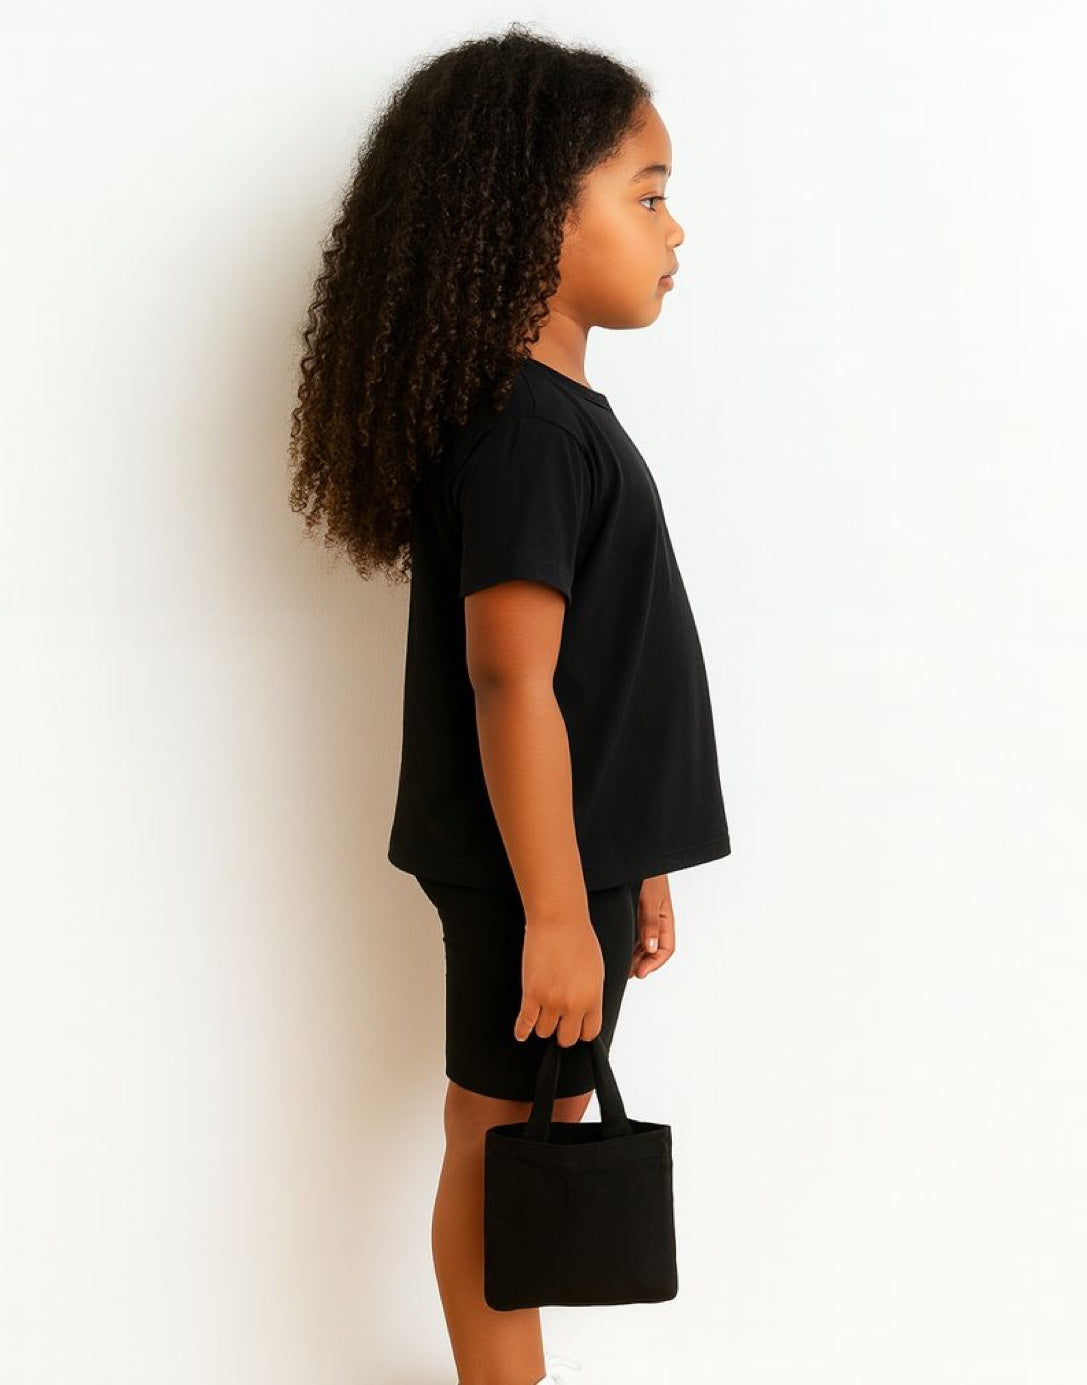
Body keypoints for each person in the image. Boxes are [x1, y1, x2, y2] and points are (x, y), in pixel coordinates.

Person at [288, 24, 731, 1385]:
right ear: (541, 213)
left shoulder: (550, 417)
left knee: (518, 1116)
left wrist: (628, 858)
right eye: (645, 193)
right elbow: (510, 676)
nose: (675, 228)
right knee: (497, 1126)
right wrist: (551, 907)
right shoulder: (528, 433)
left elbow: (596, 673)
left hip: (569, 855)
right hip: (524, 869)